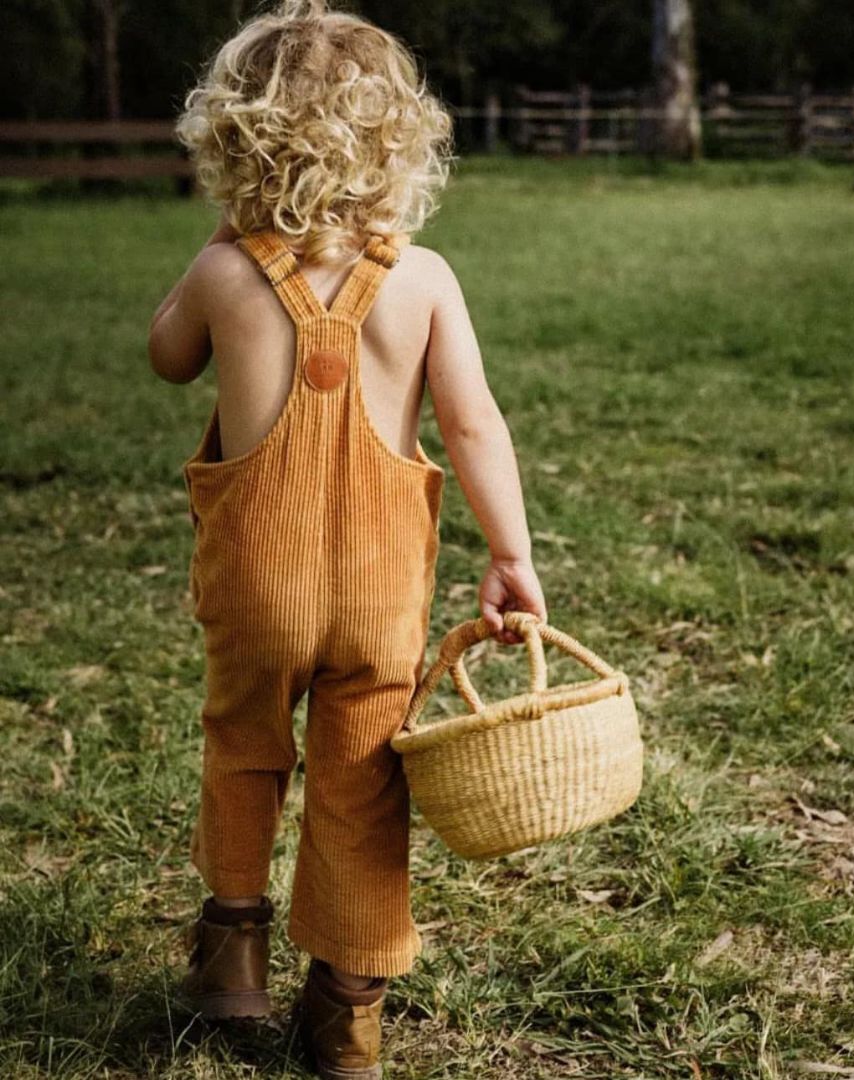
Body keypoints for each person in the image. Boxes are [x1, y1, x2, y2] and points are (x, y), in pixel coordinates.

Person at [147, 2, 546, 1075]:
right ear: (397, 142)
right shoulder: (421, 280)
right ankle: (347, 1011)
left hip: (254, 588)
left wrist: (218, 253)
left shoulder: (226, 275)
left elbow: (166, 357)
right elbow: (471, 422)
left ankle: (231, 959)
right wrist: (509, 554)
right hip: (380, 599)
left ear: (235, 140)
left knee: (242, 744)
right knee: (364, 780)